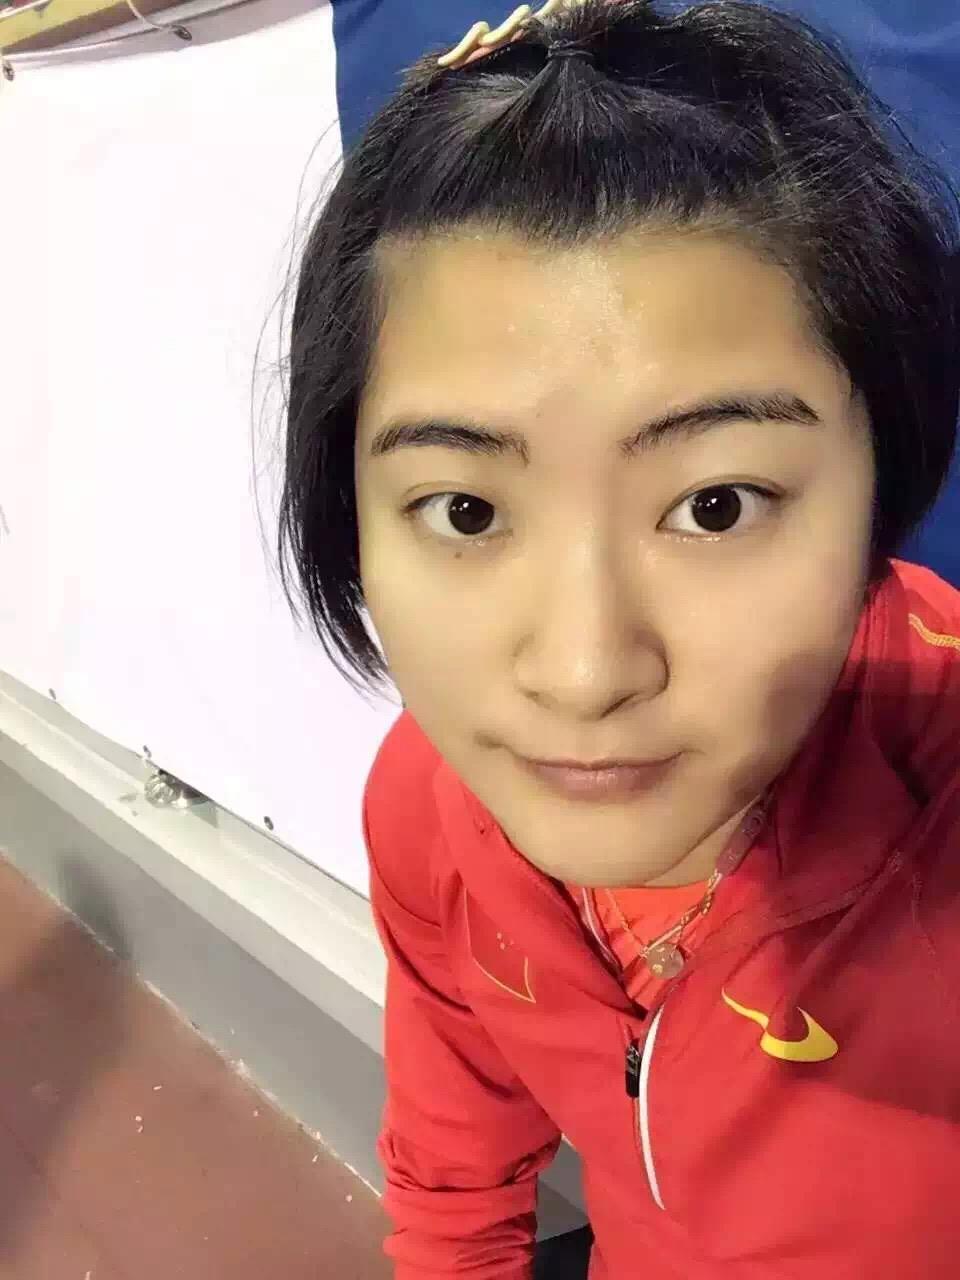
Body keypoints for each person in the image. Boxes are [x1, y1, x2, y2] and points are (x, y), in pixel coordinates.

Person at [278, 1, 960, 1275]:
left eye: (717, 505)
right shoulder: (430, 806)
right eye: (467, 510)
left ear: (885, 483)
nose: (585, 673)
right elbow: (454, 1180)